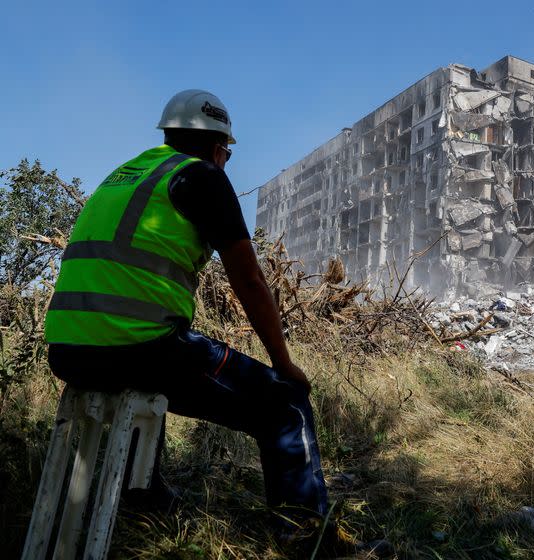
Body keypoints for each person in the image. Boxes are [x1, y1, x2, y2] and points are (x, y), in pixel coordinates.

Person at [44, 90, 330, 536]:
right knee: (286, 406)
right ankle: (309, 534)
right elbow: (249, 281)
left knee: (150, 375)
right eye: (227, 154)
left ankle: (147, 501)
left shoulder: (125, 174)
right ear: (219, 149)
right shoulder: (202, 177)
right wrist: (283, 364)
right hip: (139, 350)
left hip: (67, 352)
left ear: (167, 133)